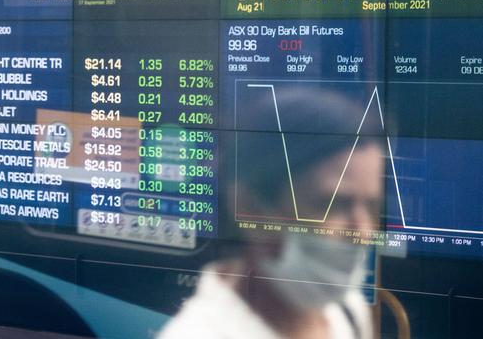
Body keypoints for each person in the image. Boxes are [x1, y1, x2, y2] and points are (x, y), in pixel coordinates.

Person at [159, 88, 384, 339]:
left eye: (371, 206)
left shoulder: (348, 310)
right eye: (332, 205)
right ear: (249, 208)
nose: (363, 231)